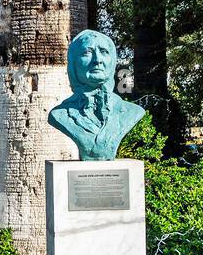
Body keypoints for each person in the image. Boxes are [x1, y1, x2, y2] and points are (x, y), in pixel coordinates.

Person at [48, 29, 145, 161]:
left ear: (112, 62)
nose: (97, 60)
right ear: (74, 64)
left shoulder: (131, 112)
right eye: (87, 52)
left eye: (104, 52)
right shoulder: (60, 115)